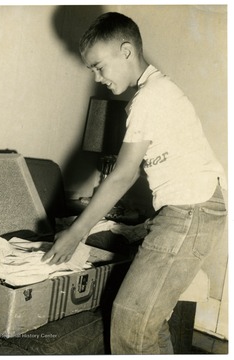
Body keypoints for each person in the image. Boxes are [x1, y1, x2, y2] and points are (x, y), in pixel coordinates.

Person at [42, 12, 227, 354]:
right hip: (193, 210)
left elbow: (124, 175)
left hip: (190, 211)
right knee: (146, 324)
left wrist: (76, 232)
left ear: (126, 51)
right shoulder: (156, 93)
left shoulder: (151, 97)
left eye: (99, 66)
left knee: (130, 320)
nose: (97, 78)